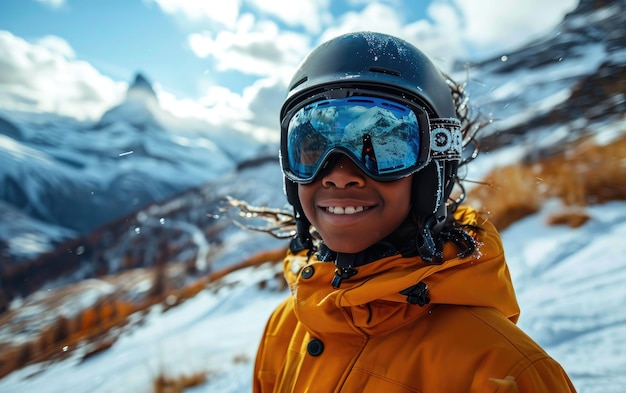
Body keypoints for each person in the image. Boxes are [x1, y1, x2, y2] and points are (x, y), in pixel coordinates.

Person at [248, 31, 577, 392]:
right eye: (312, 148)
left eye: (386, 148)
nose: (339, 175)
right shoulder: (283, 329)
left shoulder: (503, 370)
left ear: (433, 168)